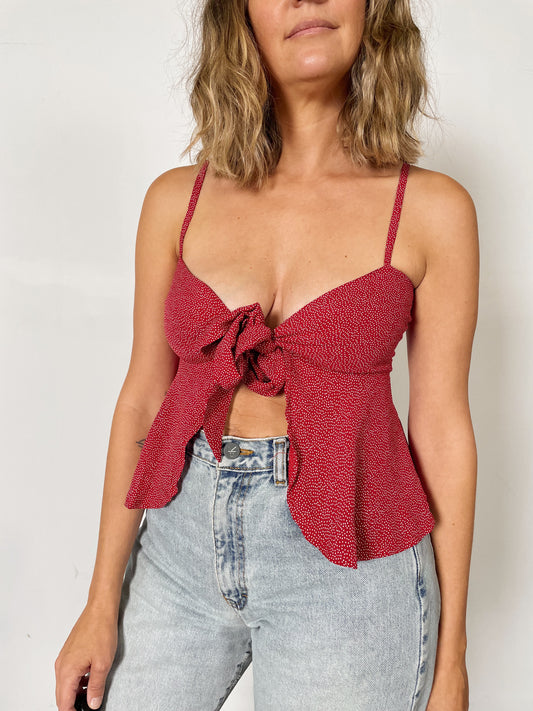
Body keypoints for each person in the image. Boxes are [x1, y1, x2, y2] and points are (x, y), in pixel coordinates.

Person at [54, 1, 479, 709]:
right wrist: (99, 603)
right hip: (178, 552)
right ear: (240, 19)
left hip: (352, 569)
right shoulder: (175, 201)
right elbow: (144, 400)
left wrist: (452, 659)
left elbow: (441, 428)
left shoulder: (433, 210)